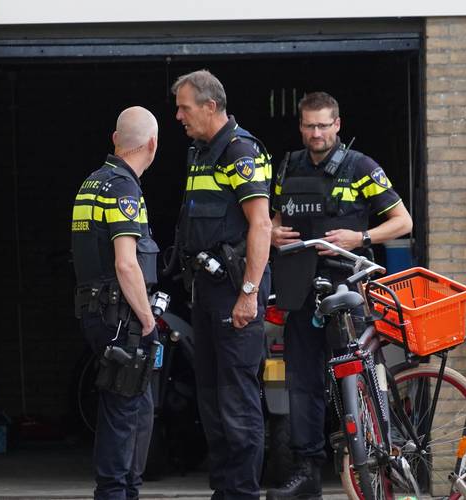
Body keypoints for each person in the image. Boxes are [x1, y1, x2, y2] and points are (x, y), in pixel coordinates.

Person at [266, 92, 413, 500]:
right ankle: (307, 473)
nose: (316, 133)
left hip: (347, 288)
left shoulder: (361, 166)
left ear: (337, 125)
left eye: (323, 125)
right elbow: (274, 219)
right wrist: (272, 232)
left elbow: (402, 221)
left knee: (363, 380)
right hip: (299, 290)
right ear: (301, 127)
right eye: (309, 126)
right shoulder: (289, 165)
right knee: (302, 385)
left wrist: (360, 237)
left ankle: (379, 464)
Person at [170, 69, 272, 500]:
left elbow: (261, 224)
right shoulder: (201, 152)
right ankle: (225, 490)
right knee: (211, 401)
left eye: (184, 107)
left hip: (234, 294)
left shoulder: (239, 150)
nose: (178, 116)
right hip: (207, 293)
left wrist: (248, 294)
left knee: (237, 403)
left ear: (210, 106)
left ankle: (243, 493)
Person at [71, 106, 162, 500]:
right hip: (122, 317)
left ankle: (120, 490)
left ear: (115, 138)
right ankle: (118, 493)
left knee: (124, 407)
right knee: (129, 413)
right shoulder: (126, 189)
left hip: (95, 313)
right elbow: (127, 263)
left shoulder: (90, 184)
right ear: (152, 144)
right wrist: (147, 318)